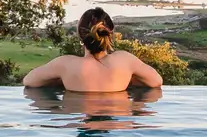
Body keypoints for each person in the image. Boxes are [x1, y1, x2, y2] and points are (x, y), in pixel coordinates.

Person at [21, 7, 165, 94]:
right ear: (110, 34)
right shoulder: (125, 60)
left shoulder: (66, 65)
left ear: (80, 35)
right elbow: (156, 81)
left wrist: (60, 80)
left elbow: (28, 81)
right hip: (116, 128)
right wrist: (129, 79)